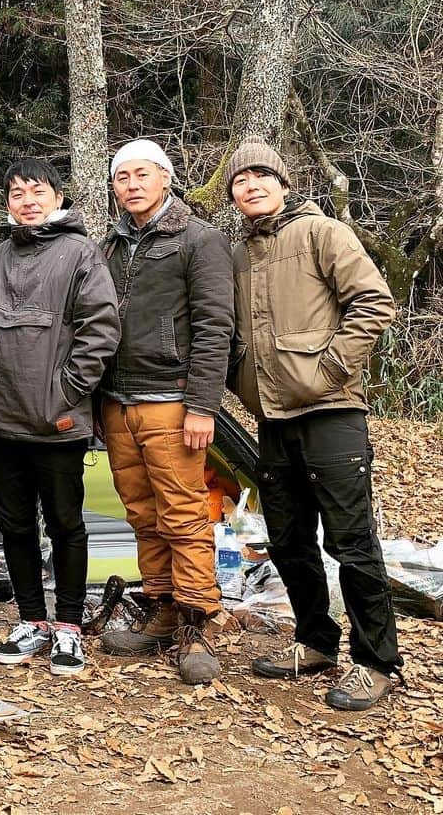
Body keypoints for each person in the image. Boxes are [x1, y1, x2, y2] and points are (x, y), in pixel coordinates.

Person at [226, 136, 402, 710]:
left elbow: (374, 302)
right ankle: (315, 640)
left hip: (331, 412)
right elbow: (232, 334)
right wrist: (242, 379)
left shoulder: (322, 232)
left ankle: (375, 661)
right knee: (288, 538)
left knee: (351, 541)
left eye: (261, 176)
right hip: (272, 418)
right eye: (239, 180)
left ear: (282, 183)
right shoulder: (236, 254)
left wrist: (327, 370)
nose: (250, 185)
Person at [97, 140, 233, 684]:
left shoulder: (199, 241)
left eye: (142, 174)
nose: (131, 185)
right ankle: (162, 608)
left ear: (166, 178)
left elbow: (214, 327)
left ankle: (197, 621)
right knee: (141, 513)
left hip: (172, 401)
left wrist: (202, 405)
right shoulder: (109, 245)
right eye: (122, 177)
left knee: (182, 511)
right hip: (118, 402)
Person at [0, 158, 120, 675]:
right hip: (3, 418)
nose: (27, 200)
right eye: (17, 193)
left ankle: (67, 625)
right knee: (14, 524)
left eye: (37, 190)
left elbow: (101, 328)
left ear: (58, 197)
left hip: (58, 418)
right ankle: (31, 620)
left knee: (65, 523)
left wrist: (67, 390)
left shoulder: (81, 254)